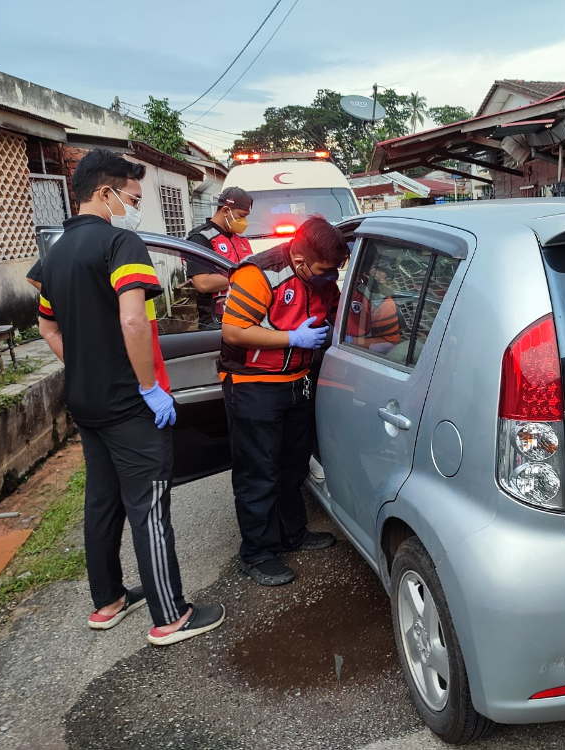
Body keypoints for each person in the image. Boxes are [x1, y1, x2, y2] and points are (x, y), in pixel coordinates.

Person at [33, 148, 224, 645]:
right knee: (149, 502)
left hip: (86, 402)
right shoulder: (121, 243)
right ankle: (170, 616)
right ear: (106, 192)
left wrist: (82, 366)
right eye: (132, 196)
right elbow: (134, 320)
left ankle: (108, 601)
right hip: (127, 402)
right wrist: (147, 387)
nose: (134, 204)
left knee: (101, 499)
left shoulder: (54, 254)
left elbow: (46, 323)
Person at [219, 214, 348, 586]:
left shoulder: (323, 280)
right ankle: (257, 552)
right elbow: (234, 330)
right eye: (325, 270)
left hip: (299, 381)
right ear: (300, 261)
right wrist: (293, 339)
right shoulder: (258, 274)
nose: (332, 277)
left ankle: (293, 533)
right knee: (259, 470)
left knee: (293, 465)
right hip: (253, 383)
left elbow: (339, 313)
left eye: (336, 269)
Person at [186, 187, 254, 329]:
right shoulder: (200, 238)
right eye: (241, 216)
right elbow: (203, 283)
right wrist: (245, 279)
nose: (244, 221)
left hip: (244, 314)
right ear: (225, 211)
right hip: (216, 320)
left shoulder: (240, 238)